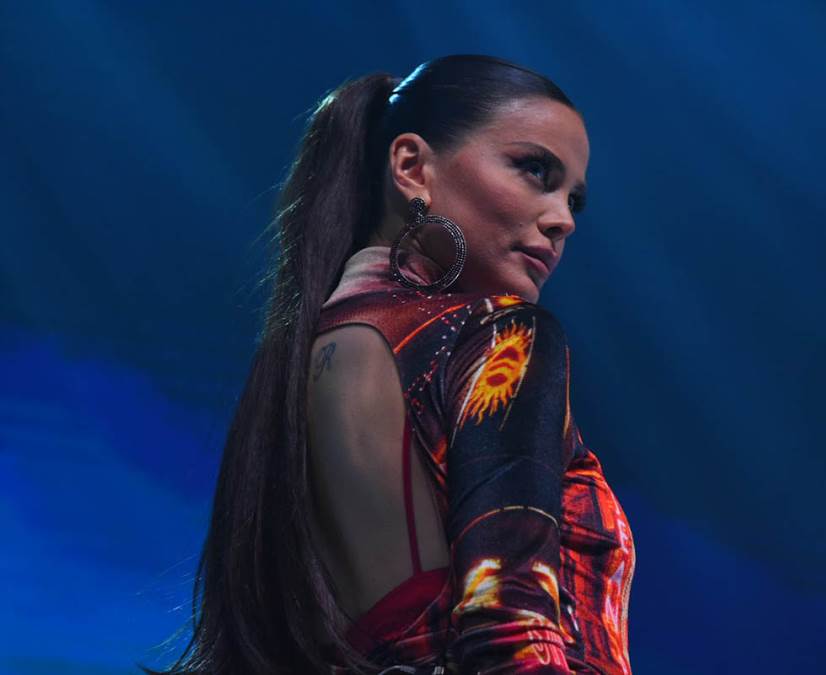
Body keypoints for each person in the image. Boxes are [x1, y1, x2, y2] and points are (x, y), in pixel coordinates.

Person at [143, 55, 635, 675]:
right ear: (411, 167)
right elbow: (508, 628)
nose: (562, 219)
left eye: (574, 200)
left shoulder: (297, 362)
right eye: (534, 169)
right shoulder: (500, 336)